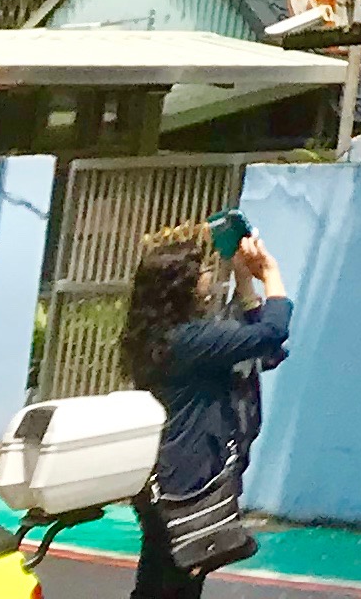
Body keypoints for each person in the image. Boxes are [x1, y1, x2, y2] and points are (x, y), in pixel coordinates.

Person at [119, 218, 289, 599]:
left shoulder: (160, 336)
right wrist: (271, 274)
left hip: (160, 475)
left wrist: (245, 281)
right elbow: (272, 333)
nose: (210, 276)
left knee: (162, 577)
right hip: (188, 475)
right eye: (202, 271)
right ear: (181, 286)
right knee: (175, 582)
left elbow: (257, 350)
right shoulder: (191, 341)